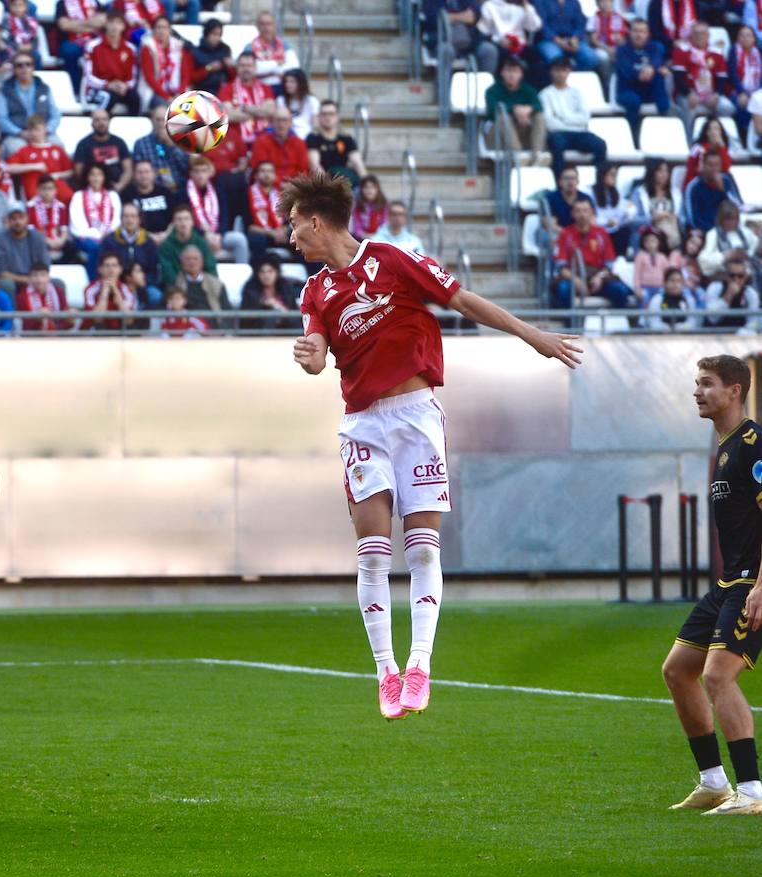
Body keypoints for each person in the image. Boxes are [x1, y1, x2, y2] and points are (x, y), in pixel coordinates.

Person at [285, 170, 581, 719]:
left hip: (416, 417)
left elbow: (463, 300)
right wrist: (310, 358)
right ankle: (386, 673)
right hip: (363, 424)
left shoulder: (394, 260)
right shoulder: (315, 290)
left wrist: (532, 335)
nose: (291, 236)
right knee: (373, 551)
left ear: (318, 221)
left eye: (295, 225)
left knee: (421, 547)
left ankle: (420, 664)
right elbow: (319, 353)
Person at [660, 354, 762, 815]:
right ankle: (713, 782)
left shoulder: (753, 444)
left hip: (750, 582)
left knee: (717, 675)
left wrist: (761, 587)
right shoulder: (724, 445)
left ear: (734, 390)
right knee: (678, 670)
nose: (697, 392)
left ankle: (754, 790)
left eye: (707, 384)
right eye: (697, 384)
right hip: (727, 583)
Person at [551, 197, 635, 311]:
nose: (582, 215)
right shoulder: (565, 234)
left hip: (598, 276)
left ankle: (616, 324)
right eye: (578, 211)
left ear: (592, 212)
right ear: (572, 213)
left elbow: (609, 264)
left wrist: (599, 278)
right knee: (563, 289)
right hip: (573, 276)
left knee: (620, 290)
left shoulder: (602, 233)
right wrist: (577, 281)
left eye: (585, 210)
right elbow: (561, 267)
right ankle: (569, 327)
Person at [539, 57, 606, 176]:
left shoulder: (577, 93)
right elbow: (549, 122)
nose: (560, 74)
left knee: (600, 145)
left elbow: (585, 117)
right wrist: (572, 120)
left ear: (569, 72)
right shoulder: (545, 94)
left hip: (579, 133)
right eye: (557, 70)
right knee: (556, 144)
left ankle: (598, 181)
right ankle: (559, 182)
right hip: (559, 133)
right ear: (552, 72)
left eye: (564, 70)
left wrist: (563, 117)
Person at [184, 155, 247, 266]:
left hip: (218, 235)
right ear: (191, 174)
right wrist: (204, 234)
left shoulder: (218, 191)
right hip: (195, 236)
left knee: (239, 239)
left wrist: (219, 235)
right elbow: (183, 220)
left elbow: (225, 217)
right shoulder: (183, 193)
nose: (200, 175)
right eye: (197, 171)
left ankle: (243, 274)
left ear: (210, 173)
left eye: (204, 171)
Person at [615, 18, 672, 139]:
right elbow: (627, 72)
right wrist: (642, 73)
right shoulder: (622, 50)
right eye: (635, 31)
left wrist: (652, 68)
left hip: (648, 90)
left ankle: (666, 130)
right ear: (629, 32)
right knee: (633, 101)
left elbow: (658, 59)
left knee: (660, 80)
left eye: (642, 31)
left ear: (648, 34)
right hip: (628, 90)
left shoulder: (654, 47)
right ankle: (633, 138)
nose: (638, 35)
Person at [485, 56, 546, 164]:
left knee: (539, 117)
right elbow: (492, 110)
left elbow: (539, 106)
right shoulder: (492, 90)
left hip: (522, 131)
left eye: (515, 71)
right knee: (503, 117)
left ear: (521, 74)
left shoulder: (528, 90)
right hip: (498, 136)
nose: (511, 75)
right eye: (508, 71)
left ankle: (537, 155)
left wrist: (528, 109)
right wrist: (515, 110)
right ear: (502, 73)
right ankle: (517, 157)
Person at [672, 21, 734, 121]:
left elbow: (722, 78)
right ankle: (689, 136)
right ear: (691, 35)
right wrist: (689, 93)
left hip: (711, 94)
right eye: (696, 33)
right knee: (688, 107)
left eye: (703, 33)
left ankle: (719, 134)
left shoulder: (717, 52)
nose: (700, 36)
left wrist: (716, 95)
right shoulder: (682, 51)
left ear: (708, 35)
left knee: (727, 108)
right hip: (688, 94)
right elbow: (678, 78)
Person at [0, 202, 50, 298]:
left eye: (21, 218)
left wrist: (36, 278)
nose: (18, 222)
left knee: (57, 283)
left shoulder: (37, 237)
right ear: (8, 220)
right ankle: (12, 313)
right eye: (13, 219)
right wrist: (25, 279)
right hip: (11, 279)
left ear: (27, 219)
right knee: (7, 284)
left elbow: (44, 265)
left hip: (35, 278)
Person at [8, 114, 75, 203]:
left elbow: (71, 171)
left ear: (45, 129)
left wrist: (58, 175)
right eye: (31, 130)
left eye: (37, 129)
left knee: (70, 197)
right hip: (34, 194)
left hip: (57, 189)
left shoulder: (56, 149)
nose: (34, 133)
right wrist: (34, 166)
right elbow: (9, 168)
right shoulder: (24, 150)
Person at [83, 13, 139, 115]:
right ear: (106, 25)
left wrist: (125, 86)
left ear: (123, 26)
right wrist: (107, 85)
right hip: (97, 88)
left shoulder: (130, 49)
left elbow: (133, 77)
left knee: (135, 98)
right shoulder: (93, 46)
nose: (114, 26)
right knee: (108, 97)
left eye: (118, 23)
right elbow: (88, 76)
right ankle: (99, 125)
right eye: (111, 22)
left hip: (121, 88)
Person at [69, 162, 121, 274]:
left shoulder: (113, 195)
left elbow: (116, 221)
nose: (96, 178)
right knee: (96, 248)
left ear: (104, 177)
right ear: (87, 177)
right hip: (85, 238)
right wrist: (97, 236)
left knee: (116, 246)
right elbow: (77, 225)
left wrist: (106, 235)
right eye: (92, 174)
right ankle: (93, 282)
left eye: (99, 174)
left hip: (109, 236)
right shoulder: (78, 196)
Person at [306, 99, 367, 185]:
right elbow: (315, 165)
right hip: (322, 183)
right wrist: (329, 186)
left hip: (343, 180)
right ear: (319, 117)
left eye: (331, 114)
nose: (328, 117)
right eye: (324, 114)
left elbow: (357, 162)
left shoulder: (346, 138)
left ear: (337, 116)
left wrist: (367, 182)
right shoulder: (313, 137)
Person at [72, 108, 133, 192]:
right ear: (92, 123)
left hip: (119, 189)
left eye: (104, 119)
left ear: (109, 121)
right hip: (93, 191)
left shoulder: (119, 142)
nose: (101, 123)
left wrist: (119, 186)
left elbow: (128, 170)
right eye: (97, 120)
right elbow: (79, 173)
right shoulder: (83, 144)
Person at [132, 104, 189, 193]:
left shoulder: (182, 140)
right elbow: (139, 172)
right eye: (157, 120)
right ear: (152, 121)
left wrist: (171, 144)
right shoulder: (141, 143)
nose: (161, 124)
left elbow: (187, 167)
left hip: (181, 187)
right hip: (155, 190)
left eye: (164, 120)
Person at [683, 150, 743, 234]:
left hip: (728, 227)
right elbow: (694, 219)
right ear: (702, 166)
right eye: (710, 165)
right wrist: (716, 231)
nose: (714, 169)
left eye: (717, 165)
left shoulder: (726, 180)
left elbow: (738, 205)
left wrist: (723, 190)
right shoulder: (694, 187)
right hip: (705, 230)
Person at [139, 16, 194, 105]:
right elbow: (149, 77)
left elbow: (185, 74)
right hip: (156, 92)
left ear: (170, 30)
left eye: (164, 27)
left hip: (177, 92)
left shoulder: (178, 46)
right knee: (163, 108)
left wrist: (179, 94)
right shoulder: (148, 47)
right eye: (158, 27)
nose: (161, 31)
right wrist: (167, 97)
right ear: (153, 30)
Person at [223, 51, 275, 146]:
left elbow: (270, 111)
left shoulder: (266, 88)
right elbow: (228, 115)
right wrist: (259, 112)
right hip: (237, 142)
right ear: (237, 68)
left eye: (249, 66)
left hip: (264, 141)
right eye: (242, 66)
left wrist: (245, 108)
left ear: (255, 68)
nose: (246, 69)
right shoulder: (227, 89)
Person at [534, 0, 601, 73]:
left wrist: (575, 38)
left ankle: (570, 79)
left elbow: (580, 23)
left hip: (572, 40)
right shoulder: (541, 2)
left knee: (590, 57)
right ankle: (559, 80)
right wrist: (559, 41)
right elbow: (541, 25)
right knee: (556, 58)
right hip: (549, 40)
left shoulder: (573, 2)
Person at [239, 253, 301, 331]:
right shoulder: (250, 291)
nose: (266, 276)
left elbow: (293, 313)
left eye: (270, 271)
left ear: (277, 273)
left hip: (286, 329)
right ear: (257, 274)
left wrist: (279, 308)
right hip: (259, 332)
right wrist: (263, 305)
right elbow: (246, 320)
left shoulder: (285, 288)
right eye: (262, 272)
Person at [158, 203, 215, 286]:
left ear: (192, 222)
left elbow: (211, 269)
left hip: (202, 286)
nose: (183, 223)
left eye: (186, 219)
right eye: (179, 219)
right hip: (177, 289)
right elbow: (168, 274)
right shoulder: (166, 246)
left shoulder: (202, 243)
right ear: (173, 223)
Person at [703, 250, 760, 328]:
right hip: (716, 335)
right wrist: (728, 295)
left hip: (741, 336)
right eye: (732, 276)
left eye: (740, 276)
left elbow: (752, 322)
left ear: (745, 276)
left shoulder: (750, 294)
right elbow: (712, 318)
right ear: (726, 275)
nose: (736, 280)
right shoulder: (715, 288)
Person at [246, 161, 289, 258]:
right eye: (263, 171)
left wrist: (282, 231)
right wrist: (271, 233)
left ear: (275, 176)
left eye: (270, 171)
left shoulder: (281, 195)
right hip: (261, 234)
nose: (266, 174)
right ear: (256, 176)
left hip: (280, 234)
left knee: (301, 238)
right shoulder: (247, 194)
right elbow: (249, 227)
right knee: (257, 240)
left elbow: (288, 222)